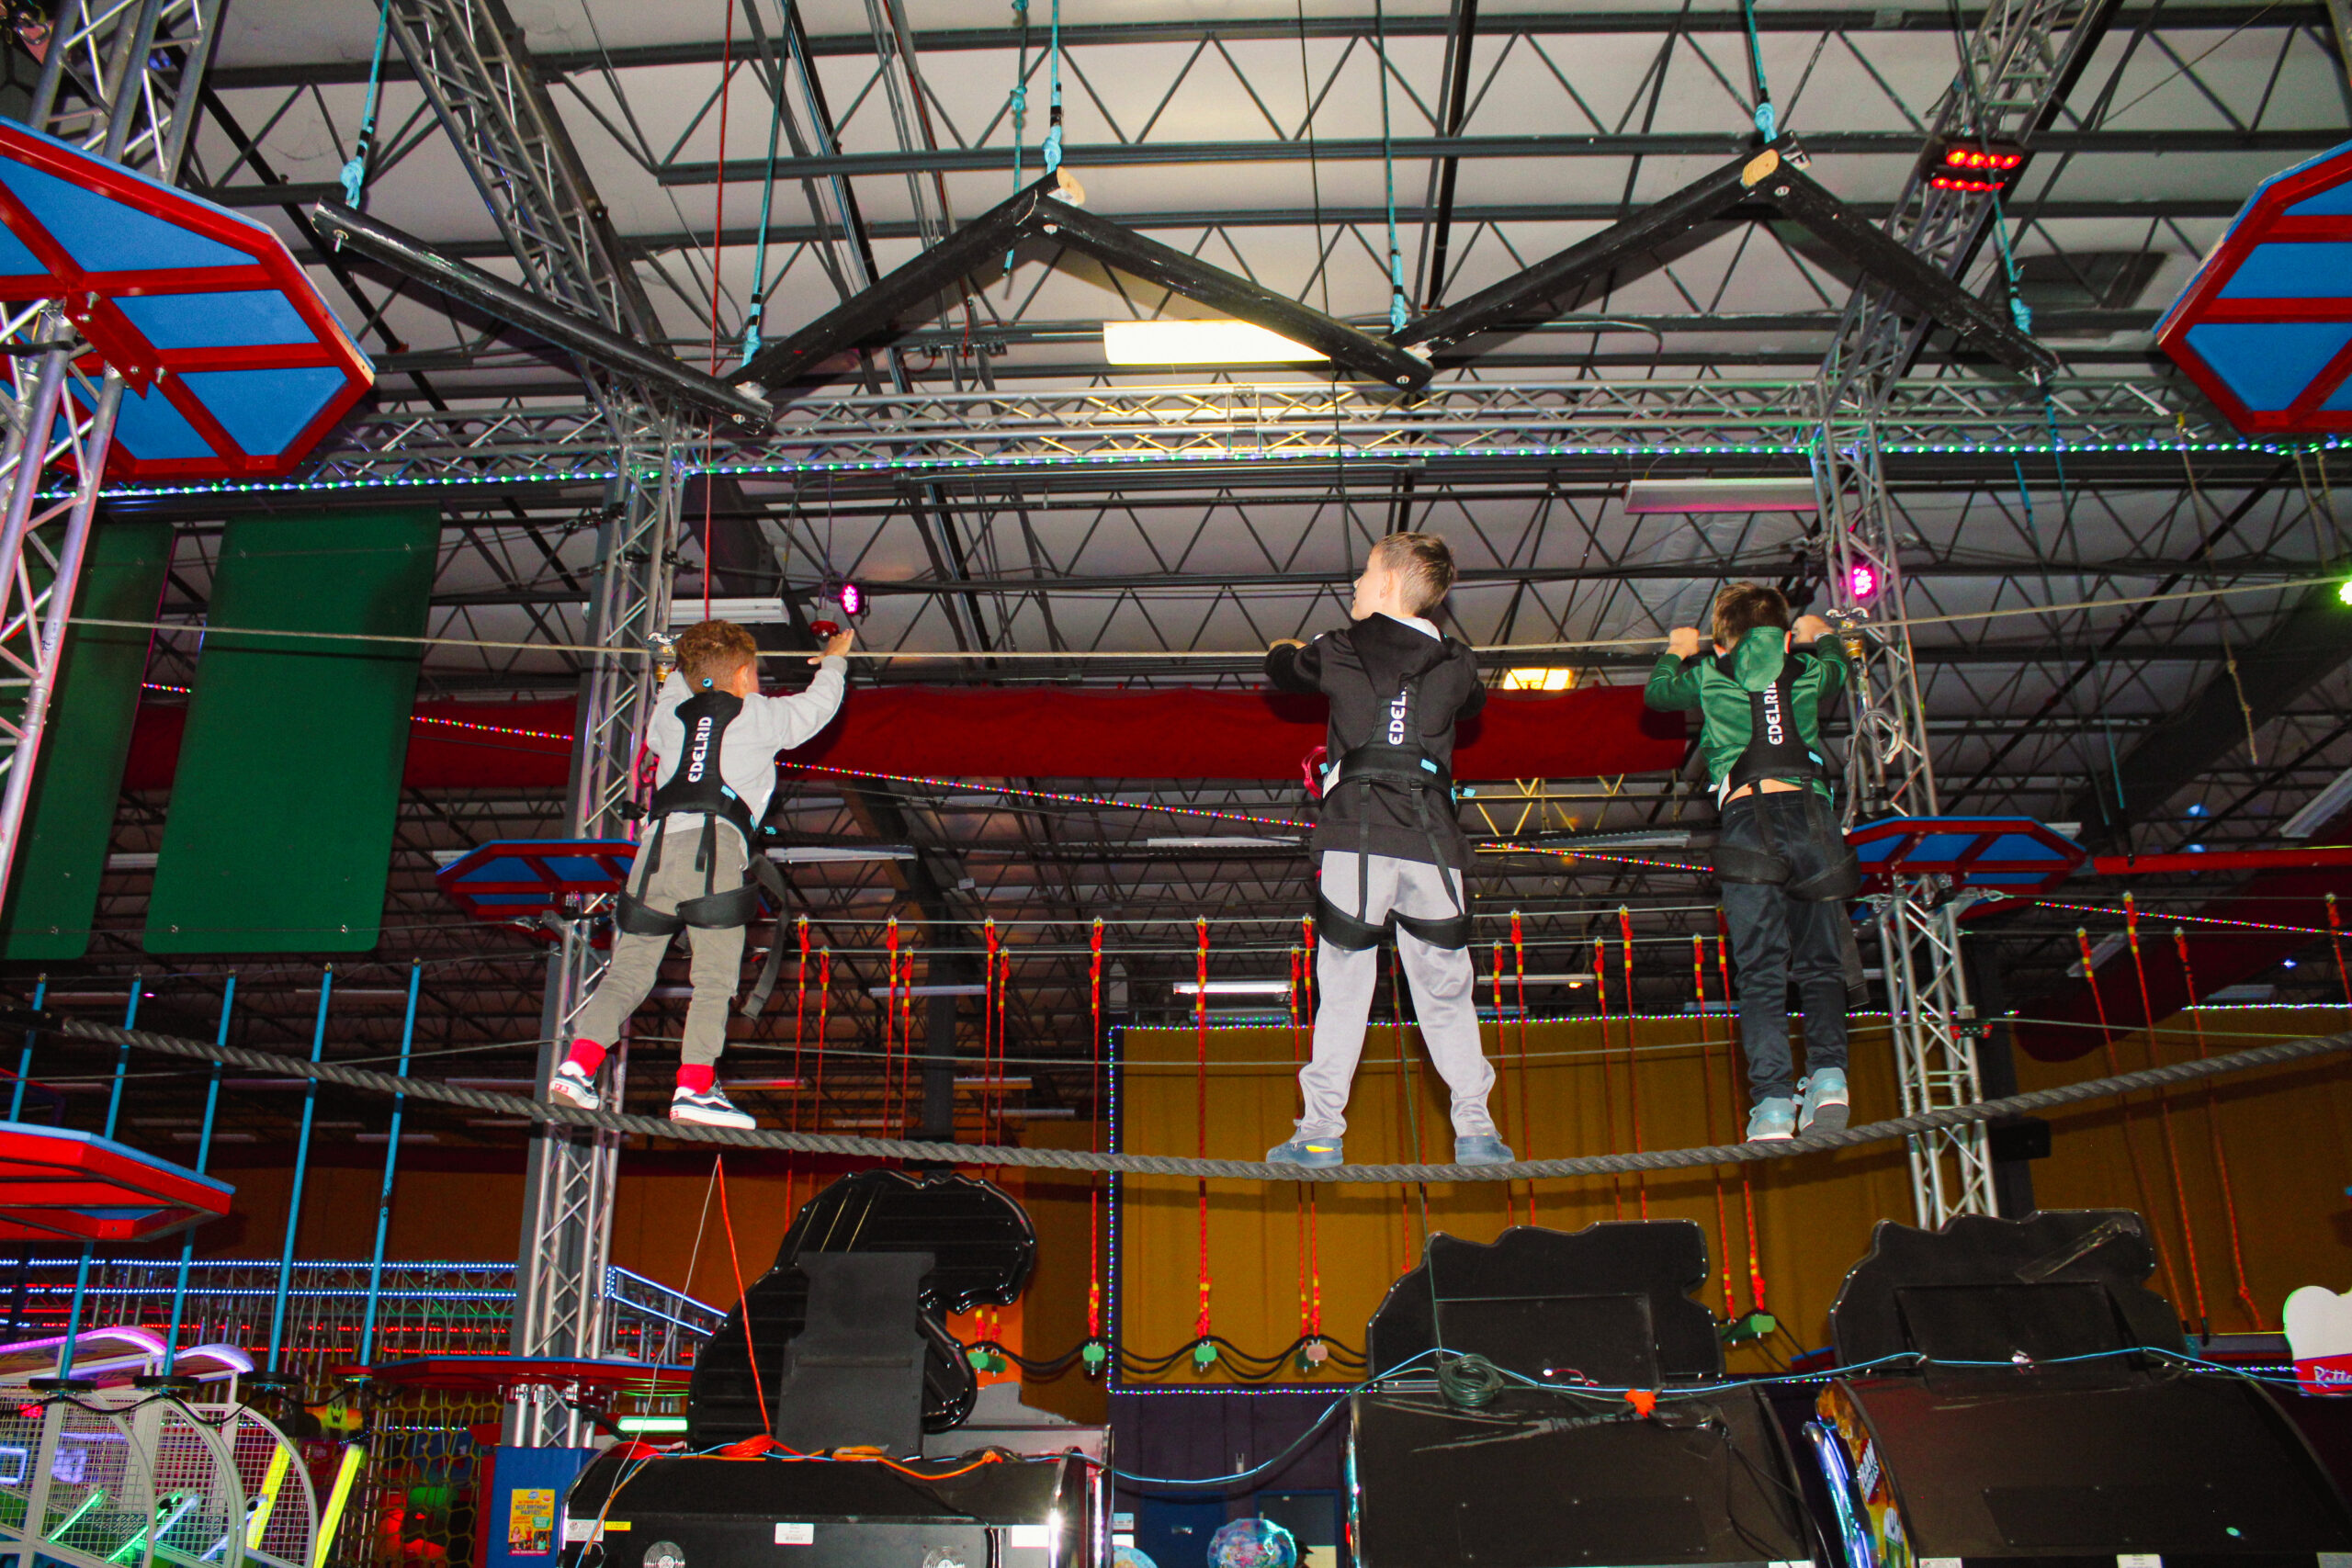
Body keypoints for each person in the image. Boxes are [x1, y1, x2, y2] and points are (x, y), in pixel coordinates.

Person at [1261, 533, 1512, 1168]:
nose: (1355, 583)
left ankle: (1321, 1131)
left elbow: (1283, 669)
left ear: (1391, 583)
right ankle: (1476, 1129)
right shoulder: (1457, 661)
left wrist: (1287, 647)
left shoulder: (1339, 648)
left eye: (1366, 572)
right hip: (1434, 845)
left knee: (1345, 987)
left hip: (1359, 837)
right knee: (1446, 990)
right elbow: (1474, 702)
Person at [549, 618, 853, 1129]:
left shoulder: (670, 717)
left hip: (653, 856)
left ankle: (577, 1067)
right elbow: (817, 708)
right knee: (714, 977)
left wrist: (676, 668)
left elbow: (673, 691)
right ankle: (694, 1086)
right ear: (742, 675)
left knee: (628, 972)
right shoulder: (757, 714)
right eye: (753, 673)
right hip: (712, 852)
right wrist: (835, 661)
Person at [1645, 583, 1857, 1142]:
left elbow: (1658, 694)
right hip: (1813, 822)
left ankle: (1772, 1105)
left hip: (1748, 825)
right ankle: (1829, 1079)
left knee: (1761, 971)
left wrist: (1676, 650)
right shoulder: (1806, 669)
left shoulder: (1711, 672)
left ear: (1721, 646)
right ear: (1785, 640)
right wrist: (1822, 635)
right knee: (1821, 962)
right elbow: (1838, 669)